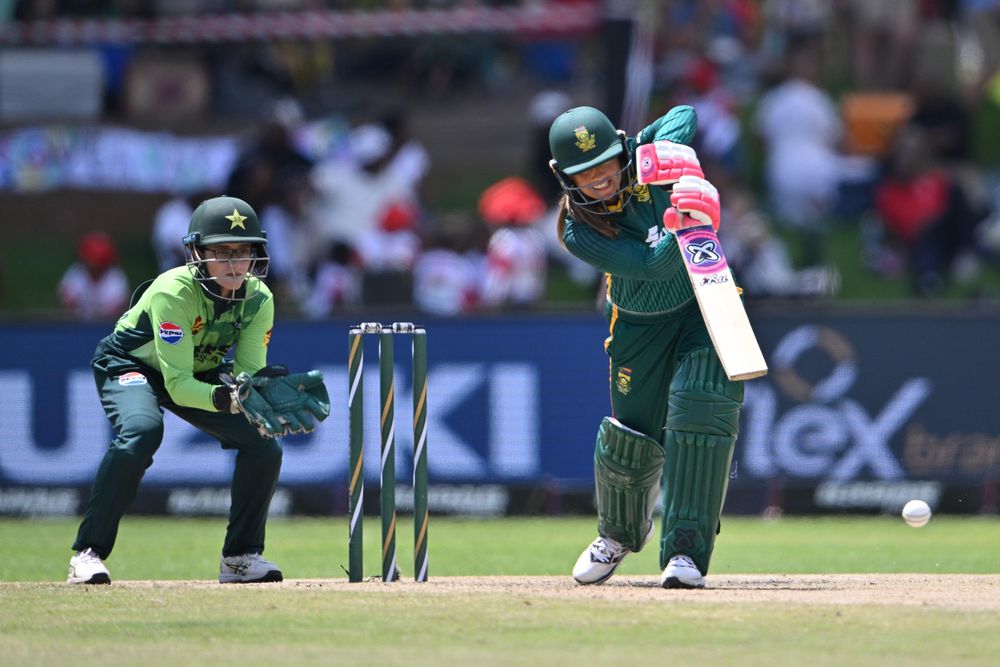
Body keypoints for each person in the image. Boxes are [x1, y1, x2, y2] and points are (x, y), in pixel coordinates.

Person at [67, 195, 329, 585]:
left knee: (263, 445)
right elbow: (176, 383)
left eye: (243, 252)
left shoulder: (259, 299)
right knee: (142, 432)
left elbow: (248, 376)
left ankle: (240, 557)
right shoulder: (172, 292)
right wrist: (225, 398)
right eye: (222, 252)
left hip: (201, 370)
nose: (235, 263)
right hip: (131, 364)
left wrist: (253, 395)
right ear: (197, 253)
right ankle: (87, 554)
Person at [548, 105, 744, 589]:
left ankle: (685, 552)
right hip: (639, 326)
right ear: (562, 176)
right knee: (632, 442)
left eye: (606, 164)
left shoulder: (639, 158)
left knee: (703, 404)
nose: (599, 179)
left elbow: (685, 114)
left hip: (703, 302)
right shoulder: (579, 231)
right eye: (584, 174)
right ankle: (616, 535)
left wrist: (666, 155)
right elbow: (653, 266)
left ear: (620, 148)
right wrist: (692, 218)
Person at [57, 231, 130, 320]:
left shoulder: (115, 278)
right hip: (77, 325)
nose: (91, 264)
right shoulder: (77, 271)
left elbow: (115, 314)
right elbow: (65, 305)